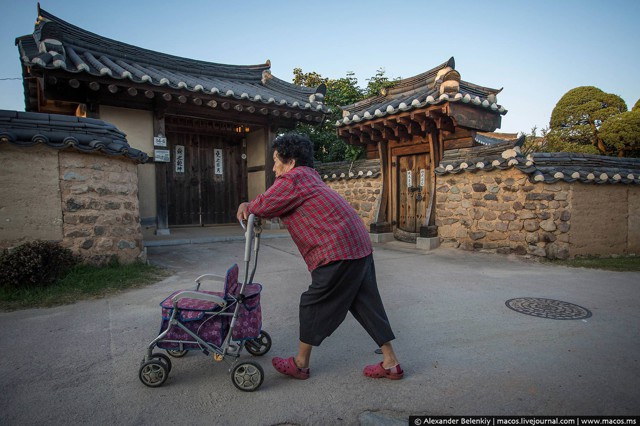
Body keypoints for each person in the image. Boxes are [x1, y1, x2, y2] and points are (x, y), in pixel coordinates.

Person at [236, 133, 403, 380]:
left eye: (275, 160)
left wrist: (245, 206)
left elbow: (263, 205)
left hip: (337, 250)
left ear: (290, 162)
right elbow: (279, 206)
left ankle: (300, 363)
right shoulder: (309, 178)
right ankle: (391, 362)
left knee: (312, 303)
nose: (273, 167)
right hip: (357, 246)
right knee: (366, 303)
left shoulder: (293, 178)